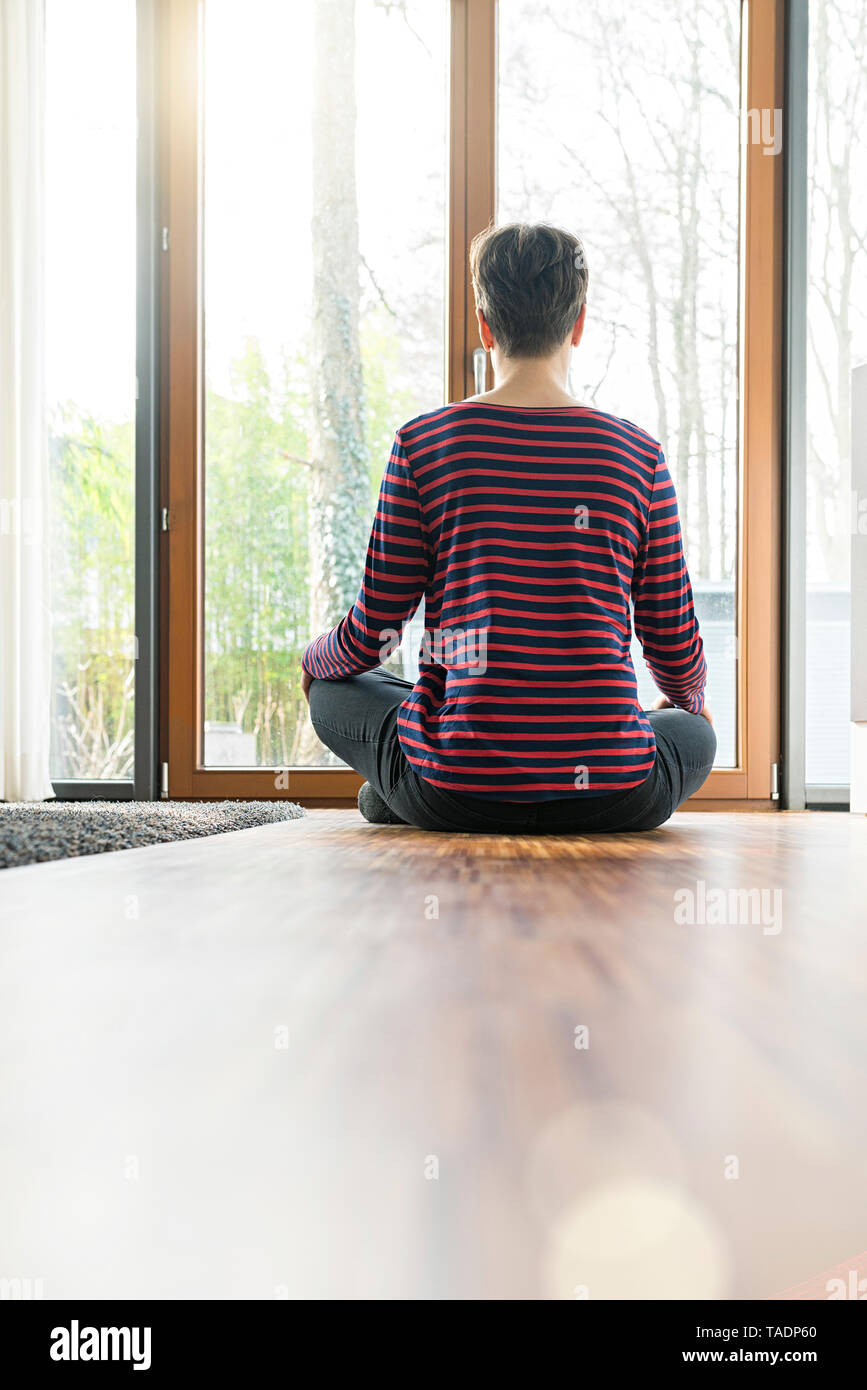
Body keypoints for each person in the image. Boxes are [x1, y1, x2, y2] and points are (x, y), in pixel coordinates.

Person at [301, 222, 715, 833]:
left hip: (457, 787)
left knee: (336, 692)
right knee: (691, 733)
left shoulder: (422, 445)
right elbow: (672, 642)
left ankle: (403, 793)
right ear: (577, 325)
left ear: (484, 324)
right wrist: (692, 701)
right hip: (613, 796)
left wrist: (315, 661)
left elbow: (376, 630)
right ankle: (420, 792)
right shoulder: (639, 457)